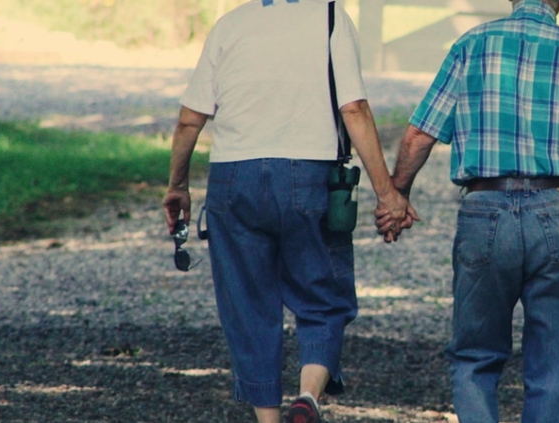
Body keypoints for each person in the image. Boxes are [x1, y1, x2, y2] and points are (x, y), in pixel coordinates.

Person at [381, 0, 559, 422]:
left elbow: (419, 135)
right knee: (556, 362)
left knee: (475, 355)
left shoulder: (470, 46)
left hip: (485, 210)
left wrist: (396, 195)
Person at [162, 1, 408, 422]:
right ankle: (308, 397)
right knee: (323, 297)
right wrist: (388, 194)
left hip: (232, 178)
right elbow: (353, 109)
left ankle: (269, 420)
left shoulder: (230, 25)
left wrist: (178, 186)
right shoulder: (331, 17)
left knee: (249, 305)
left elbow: (189, 121)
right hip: (307, 174)